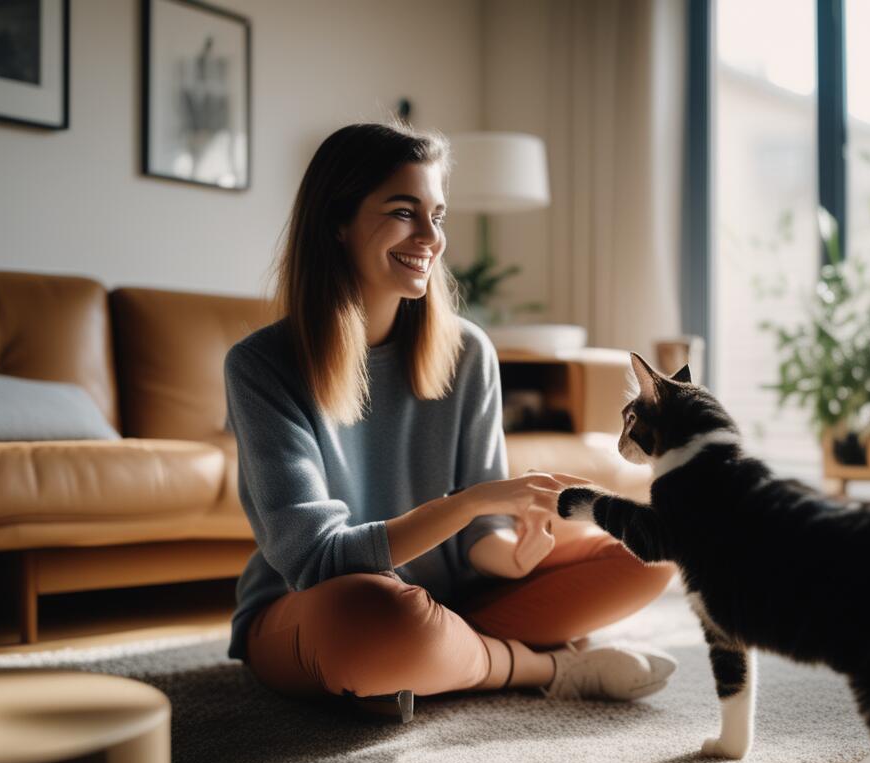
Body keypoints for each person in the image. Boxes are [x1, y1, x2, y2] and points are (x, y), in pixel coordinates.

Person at [226, 121, 678, 707]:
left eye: (436, 216)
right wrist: (468, 504)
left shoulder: (467, 352)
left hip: (449, 599)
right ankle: (542, 669)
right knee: (371, 615)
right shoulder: (262, 364)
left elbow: (480, 537)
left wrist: (512, 559)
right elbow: (317, 560)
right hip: (316, 606)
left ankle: (431, 659)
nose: (429, 237)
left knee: (652, 547)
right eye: (403, 211)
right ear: (337, 223)